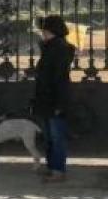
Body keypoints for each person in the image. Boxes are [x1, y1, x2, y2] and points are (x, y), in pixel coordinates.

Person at [32, 15, 76, 183]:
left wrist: (59, 103)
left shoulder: (59, 49)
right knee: (50, 136)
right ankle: (53, 167)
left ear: (52, 30)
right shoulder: (52, 48)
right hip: (48, 98)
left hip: (55, 99)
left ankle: (58, 170)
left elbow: (58, 78)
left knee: (57, 136)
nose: (42, 33)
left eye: (44, 30)